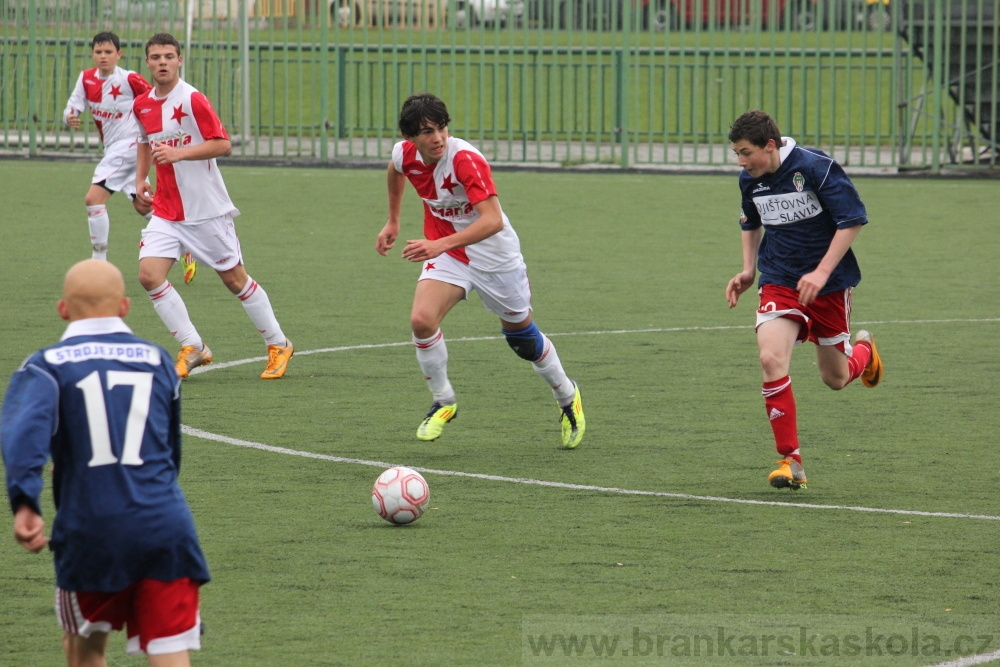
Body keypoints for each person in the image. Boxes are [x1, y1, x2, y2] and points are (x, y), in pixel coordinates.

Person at [1, 259, 210, 666]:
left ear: (63, 309)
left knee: (84, 650)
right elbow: (170, 453)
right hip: (166, 528)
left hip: (90, 529)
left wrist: (25, 503)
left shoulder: (46, 367)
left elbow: (22, 441)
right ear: (125, 307)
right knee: (170, 653)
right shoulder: (158, 361)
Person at [376, 93, 586, 448]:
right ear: (411, 136)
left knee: (521, 340)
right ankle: (444, 400)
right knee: (422, 320)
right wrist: (393, 220)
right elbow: (395, 170)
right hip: (450, 254)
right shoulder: (404, 154)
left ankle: (568, 397)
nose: (438, 137)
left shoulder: (466, 160)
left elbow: (492, 221)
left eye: (441, 128)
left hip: (495, 256)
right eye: (427, 131)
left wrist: (439, 244)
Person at [725, 109, 883, 490]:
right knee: (770, 357)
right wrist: (748, 270)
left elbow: (853, 219)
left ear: (770, 145)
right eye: (737, 155)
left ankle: (864, 352)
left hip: (829, 284)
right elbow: (751, 221)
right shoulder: (750, 180)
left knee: (835, 377)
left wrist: (822, 272)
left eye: (747, 153)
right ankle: (790, 461)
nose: (742, 162)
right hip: (778, 278)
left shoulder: (816, 168)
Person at [133, 33, 293, 380]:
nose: (162, 62)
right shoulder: (142, 104)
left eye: (169, 56)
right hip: (166, 209)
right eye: (156, 56)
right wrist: (140, 180)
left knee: (235, 280)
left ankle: (278, 343)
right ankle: (193, 346)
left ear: (179, 60)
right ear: (147, 62)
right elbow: (145, 142)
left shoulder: (192, 99)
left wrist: (180, 153)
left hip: (205, 208)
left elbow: (223, 144)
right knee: (148, 276)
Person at [63, 31, 197, 282]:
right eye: (99, 52)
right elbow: (74, 105)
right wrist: (70, 115)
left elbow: (156, 100)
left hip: (129, 146)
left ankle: (98, 263)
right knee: (142, 203)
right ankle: (186, 242)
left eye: (109, 52)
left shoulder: (130, 79)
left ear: (118, 54)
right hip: (113, 149)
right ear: (92, 53)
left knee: (93, 198)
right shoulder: (86, 79)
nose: (103, 57)